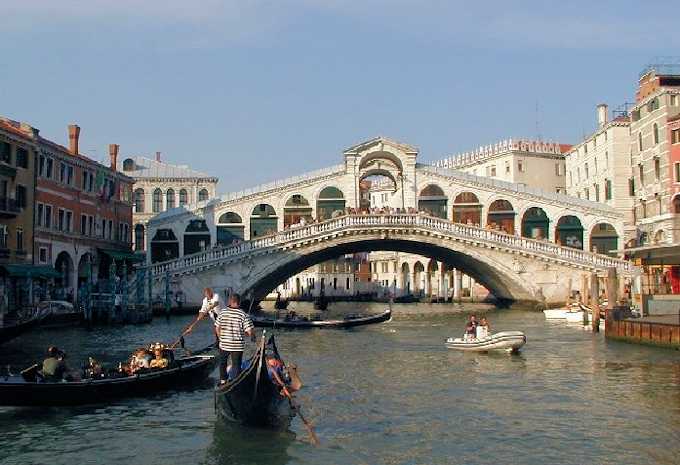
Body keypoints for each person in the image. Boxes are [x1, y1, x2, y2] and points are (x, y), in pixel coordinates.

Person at [215, 293, 255, 384]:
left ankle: (223, 381)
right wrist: (253, 337)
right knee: (236, 365)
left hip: (224, 344)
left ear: (230, 301)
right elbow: (250, 332)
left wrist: (221, 338)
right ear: (239, 302)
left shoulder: (222, 312)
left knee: (222, 363)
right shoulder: (243, 315)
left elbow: (217, 328)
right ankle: (235, 382)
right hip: (237, 346)